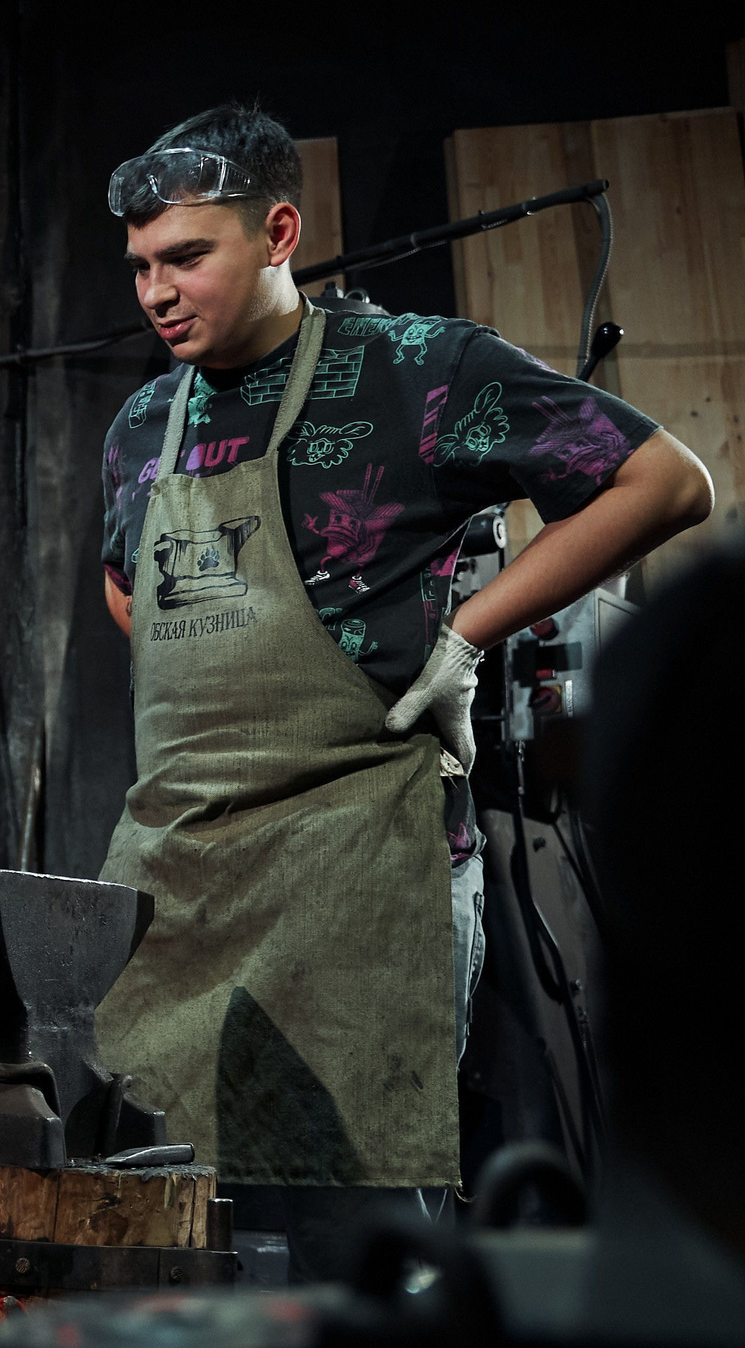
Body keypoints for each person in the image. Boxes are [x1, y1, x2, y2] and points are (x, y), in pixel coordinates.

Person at [94, 103, 713, 1281]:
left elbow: (663, 483)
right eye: (138, 265)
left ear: (277, 231)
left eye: (186, 256)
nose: (156, 291)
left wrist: (463, 637)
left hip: (365, 876)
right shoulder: (141, 423)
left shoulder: (418, 371)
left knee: (358, 1251)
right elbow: (128, 587)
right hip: (189, 881)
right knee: (190, 1249)